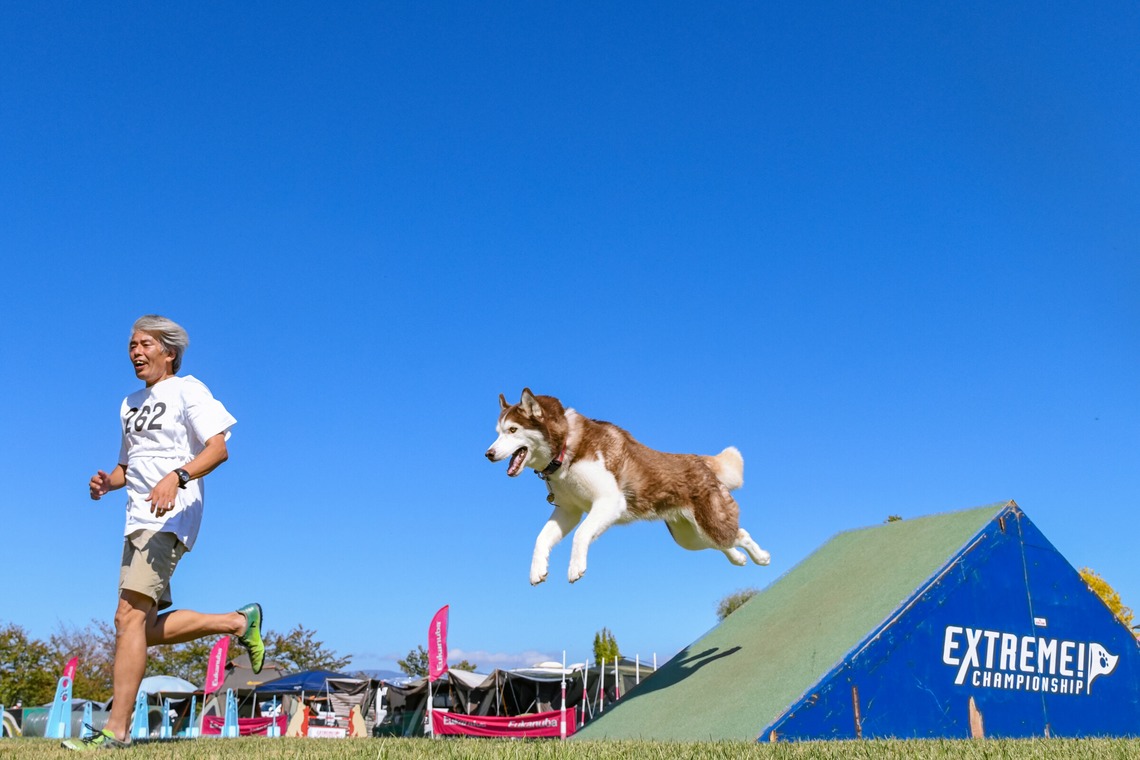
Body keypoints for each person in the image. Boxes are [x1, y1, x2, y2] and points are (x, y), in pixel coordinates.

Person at [64, 315, 264, 751]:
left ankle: (116, 730)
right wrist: (108, 482)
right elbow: (128, 464)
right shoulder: (129, 403)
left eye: (145, 344)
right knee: (141, 627)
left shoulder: (188, 389)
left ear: (169, 352)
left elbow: (218, 448)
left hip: (170, 515)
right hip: (136, 518)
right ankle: (237, 621)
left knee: (128, 618)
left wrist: (178, 476)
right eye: (131, 346)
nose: (135, 352)